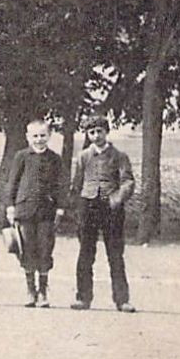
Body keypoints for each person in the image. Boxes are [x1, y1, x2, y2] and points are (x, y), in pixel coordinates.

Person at [69, 115, 136, 312]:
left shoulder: (119, 156)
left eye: (99, 131)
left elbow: (128, 181)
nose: (96, 136)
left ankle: (122, 300)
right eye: (92, 132)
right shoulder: (83, 157)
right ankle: (83, 298)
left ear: (106, 132)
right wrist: (77, 207)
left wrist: (116, 199)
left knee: (115, 254)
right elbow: (77, 183)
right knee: (85, 253)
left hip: (111, 209)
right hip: (87, 207)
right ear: (87, 135)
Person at [4, 119, 64, 307]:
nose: (39, 140)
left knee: (45, 249)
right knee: (27, 248)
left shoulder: (55, 158)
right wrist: (10, 206)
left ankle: (43, 291)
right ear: (28, 137)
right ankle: (31, 291)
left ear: (49, 136)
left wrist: (60, 207)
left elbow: (61, 185)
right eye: (35, 136)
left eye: (42, 136)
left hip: (46, 211)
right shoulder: (22, 156)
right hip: (24, 210)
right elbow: (12, 183)